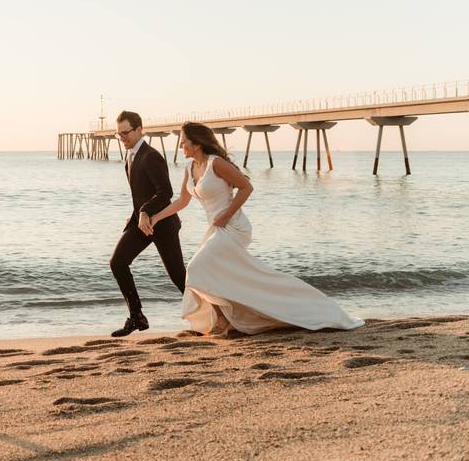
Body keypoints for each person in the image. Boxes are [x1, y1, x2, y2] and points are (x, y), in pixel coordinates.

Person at [148, 121, 365, 336]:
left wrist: (226, 215)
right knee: (240, 276)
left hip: (233, 227)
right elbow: (182, 202)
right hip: (215, 230)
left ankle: (223, 319)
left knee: (197, 268)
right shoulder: (189, 168)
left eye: (183, 142)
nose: (180, 146)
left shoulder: (216, 164)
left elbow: (246, 187)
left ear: (197, 144)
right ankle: (239, 315)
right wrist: (156, 217)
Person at [109, 111, 186, 337]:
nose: (122, 137)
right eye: (119, 134)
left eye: (126, 132)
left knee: (179, 277)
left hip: (162, 224)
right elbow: (141, 194)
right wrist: (136, 214)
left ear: (139, 129)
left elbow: (166, 192)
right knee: (117, 263)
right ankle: (136, 317)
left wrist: (144, 211)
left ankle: (209, 314)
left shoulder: (151, 156)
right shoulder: (130, 156)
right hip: (141, 224)